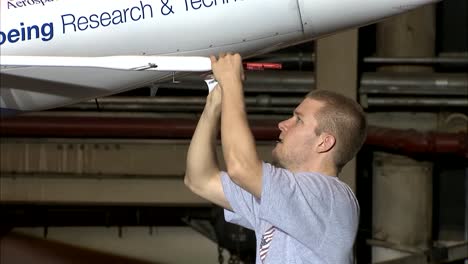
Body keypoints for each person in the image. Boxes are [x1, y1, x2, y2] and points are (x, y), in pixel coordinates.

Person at [184, 52, 367, 264]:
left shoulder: (327, 196)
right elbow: (200, 180)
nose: (283, 124)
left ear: (324, 142)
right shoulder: (284, 199)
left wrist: (232, 84)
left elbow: (241, 169)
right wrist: (214, 105)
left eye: (298, 120)